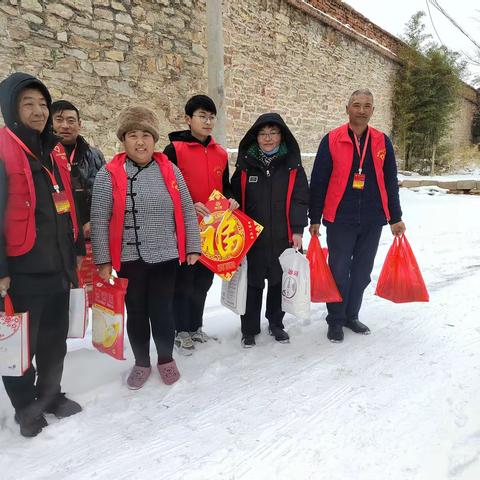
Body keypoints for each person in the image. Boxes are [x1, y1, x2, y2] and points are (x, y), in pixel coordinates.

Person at [91, 106, 201, 390]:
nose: (140, 142)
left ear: (154, 139)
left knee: (163, 311)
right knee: (137, 312)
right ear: (123, 140)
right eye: (132, 135)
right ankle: (141, 362)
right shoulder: (108, 174)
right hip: (129, 258)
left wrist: (192, 245)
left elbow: (187, 210)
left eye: (146, 135)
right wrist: (103, 260)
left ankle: (166, 359)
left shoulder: (170, 170)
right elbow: (100, 218)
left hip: (165, 256)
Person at [0, 72, 84, 437]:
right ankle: (26, 409)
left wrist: (77, 250)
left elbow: (67, 205)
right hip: (21, 272)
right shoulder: (3, 149)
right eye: (28, 104)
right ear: (11, 108)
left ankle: (50, 395)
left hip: (59, 268)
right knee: (21, 347)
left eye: (43, 104)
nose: (38, 111)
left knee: (53, 341)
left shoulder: (51, 151)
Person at [309, 89, 406, 343]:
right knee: (339, 272)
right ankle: (335, 319)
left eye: (367, 106)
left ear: (373, 110)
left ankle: (352, 315)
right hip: (340, 218)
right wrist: (315, 218)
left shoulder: (382, 141)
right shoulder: (332, 139)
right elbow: (318, 181)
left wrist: (395, 217)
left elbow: (390, 181)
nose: (361, 110)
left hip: (373, 219)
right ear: (347, 108)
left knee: (362, 273)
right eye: (356, 105)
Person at [164, 94, 239, 355]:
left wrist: (232, 199)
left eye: (211, 117)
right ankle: (180, 329)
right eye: (202, 117)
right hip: (184, 228)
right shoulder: (174, 150)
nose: (208, 122)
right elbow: (166, 188)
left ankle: (195, 326)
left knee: (203, 282)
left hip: (213, 230)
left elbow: (226, 185)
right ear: (188, 119)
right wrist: (188, 204)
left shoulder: (219, 152)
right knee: (184, 281)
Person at [231, 113, 309, 347]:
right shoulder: (245, 167)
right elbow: (233, 193)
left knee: (278, 283)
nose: (268, 138)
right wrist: (231, 200)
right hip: (252, 239)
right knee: (252, 285)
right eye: (263, 134)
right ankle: (249, 329)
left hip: (282, 238)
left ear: (281, 136)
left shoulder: (292, 166)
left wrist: (297, 230)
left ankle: (276, 324)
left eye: (273, 133)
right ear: (255, 137)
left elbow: (300, 199)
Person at [51, 100, 105, 239]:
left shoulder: (95, 156)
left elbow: (105, 194)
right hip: (57, 234)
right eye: (59, 120)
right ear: (50, 123)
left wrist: (94, 222)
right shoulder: (44, 155)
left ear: (79, 125)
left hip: (91, 231)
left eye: (71, 121)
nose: (65, 126)